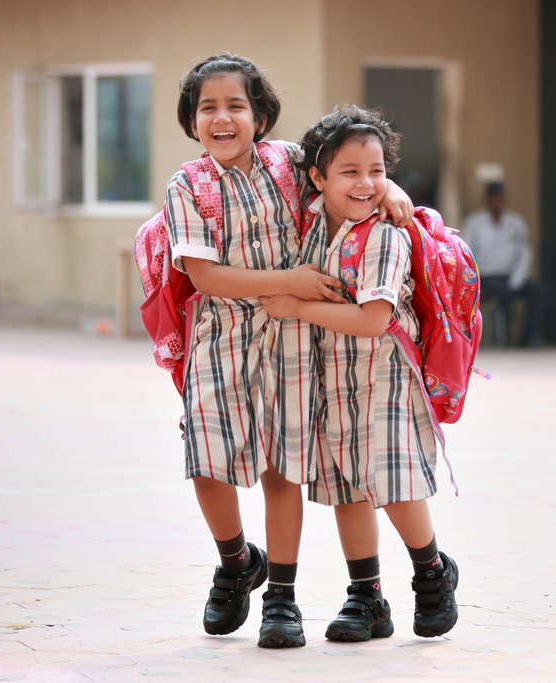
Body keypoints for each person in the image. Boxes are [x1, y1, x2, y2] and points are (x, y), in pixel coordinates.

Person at [166, 55, 412, 648]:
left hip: (289, 340)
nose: (222, 118)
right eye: (208, 108)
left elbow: (348, 170)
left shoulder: (288, 164)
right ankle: (234, 562)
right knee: (206, 455)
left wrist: (391, 185)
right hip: (220, 337)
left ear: (261, 115)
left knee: (281, 467)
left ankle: (281, 595)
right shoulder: (187, 186)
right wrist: (289, 281)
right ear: (192, 120)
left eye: (236, 106)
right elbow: (205, 278)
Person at [261, 105, 459, 642]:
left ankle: (432, 573)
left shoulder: (384, 235)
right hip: (329, 376)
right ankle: (366, 595)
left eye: (377, 171)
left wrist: (295, 307)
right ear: (317, 179)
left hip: (385, 378)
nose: (366, 183)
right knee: (348, 485)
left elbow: (374, 319)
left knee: (391, 483)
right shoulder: (308, 222)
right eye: (349, 171)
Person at [460, 182, 545, 346]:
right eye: (492, 198)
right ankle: (507, 340)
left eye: (499, 198)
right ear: (486, 199)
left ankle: (529, 338)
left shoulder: (515, 223)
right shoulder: (475, 223)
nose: (496, 202)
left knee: (538, 291)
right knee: (505, 294)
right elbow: (466, 251)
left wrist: (517, 278)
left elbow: (524, 253)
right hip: (486, 277)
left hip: (512, 276)